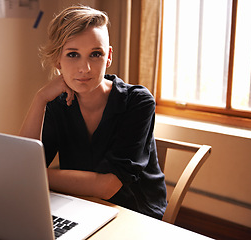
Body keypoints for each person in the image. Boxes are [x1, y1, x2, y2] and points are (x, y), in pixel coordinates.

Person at [19, 5, 167, 219]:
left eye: (95, 54)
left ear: (108, 56)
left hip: (134, 212)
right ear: (57, 60)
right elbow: (25, 164)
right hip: (80, 204)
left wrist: (34, 175)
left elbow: (109, 186)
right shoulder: (57, 104)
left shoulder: (138, 102)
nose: (84, 68)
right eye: (72, 54)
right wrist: (40, 99)